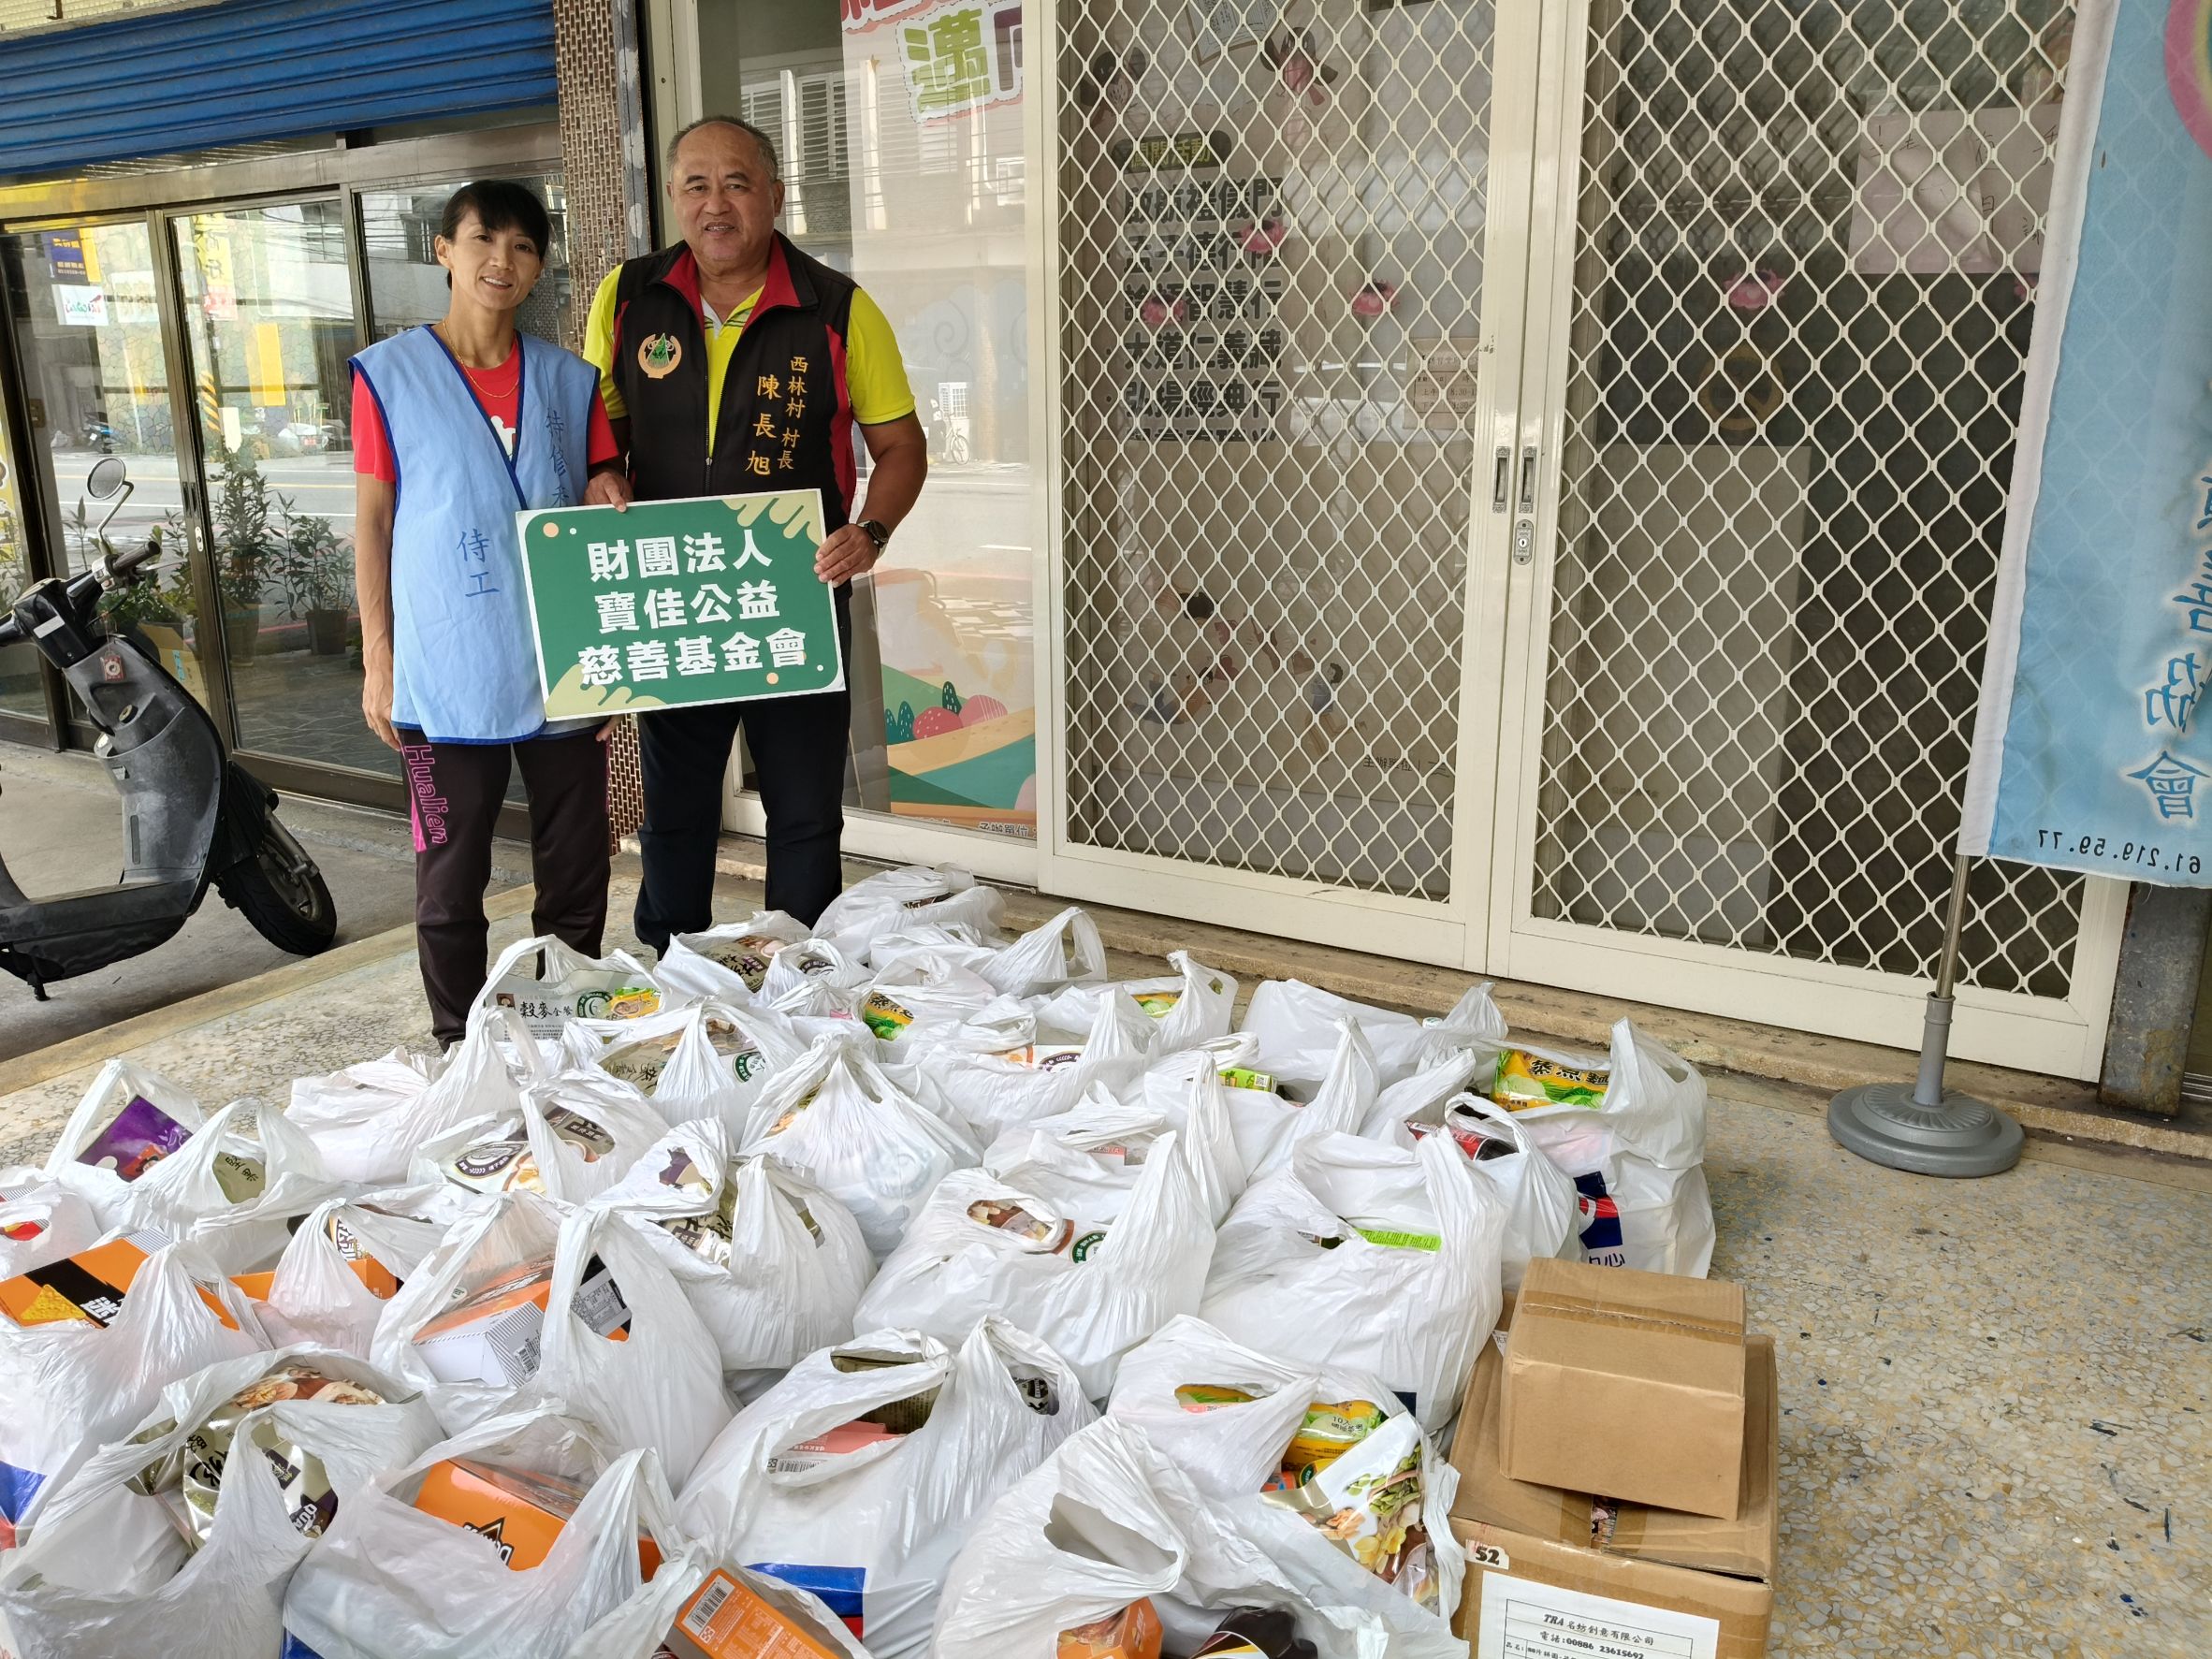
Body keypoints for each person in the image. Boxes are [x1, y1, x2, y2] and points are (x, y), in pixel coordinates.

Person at [585, 115, 927, 952]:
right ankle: (674, 967)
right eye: (696, 185)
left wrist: (871, 532)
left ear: (775, 195)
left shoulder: (837, 309)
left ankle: (800, 971)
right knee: (677, 810)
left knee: (803, 811)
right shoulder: (629, 298)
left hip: (796, 601)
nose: (716, 204)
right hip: (682, 600)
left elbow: (901, 447)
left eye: (737, 183)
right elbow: (597, 423)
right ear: (671, 197)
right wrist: (602, 472)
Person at [352, 179, 632, 1046]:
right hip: (445, 666)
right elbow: (372, 520)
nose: (500, 262)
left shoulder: (569, 381)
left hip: (561, 661)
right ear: (444, 250)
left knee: (578, 866)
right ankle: (459, 1045)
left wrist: (609, 488)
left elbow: (598, 501)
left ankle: (565, 1024)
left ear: (539, 265)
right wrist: (378, 653)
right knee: (449, 877)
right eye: (483, 241)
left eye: (521, 247)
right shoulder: (388, 376)